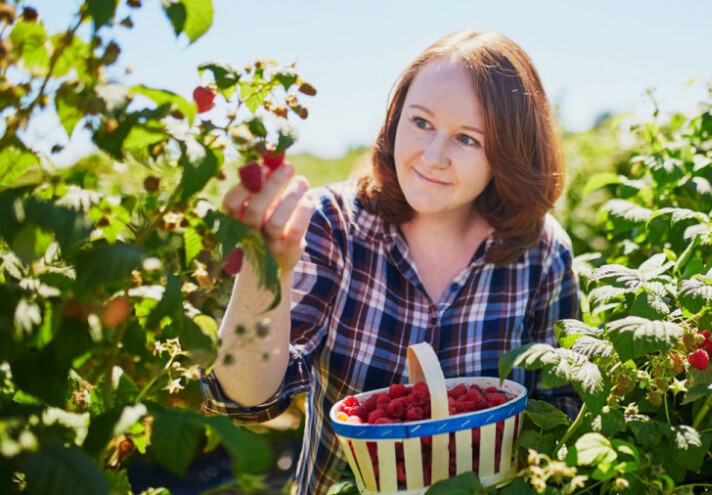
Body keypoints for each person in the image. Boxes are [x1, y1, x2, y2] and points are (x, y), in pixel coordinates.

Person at [201, 30, 580, 494]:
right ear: (396, 117)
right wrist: (268, 271)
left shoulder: (540, 254)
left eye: (466, 139)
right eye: (421, 122)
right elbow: (247, 399)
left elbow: (559, 413)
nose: (433, 157)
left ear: (509, 154)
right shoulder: (335, 225)